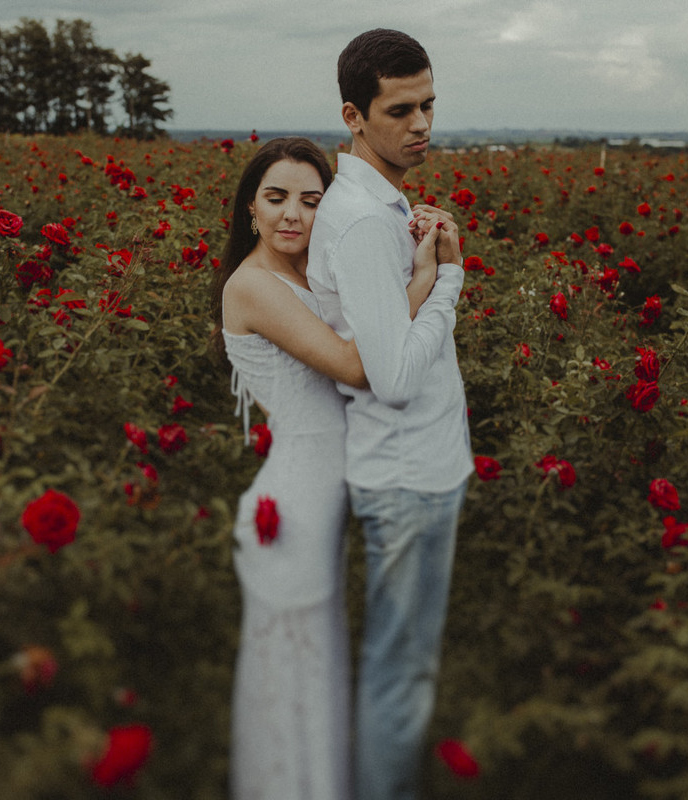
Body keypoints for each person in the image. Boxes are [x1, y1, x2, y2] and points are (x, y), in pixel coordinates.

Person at [212, 136, 457, 800]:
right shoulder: (253, 286)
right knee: (291, 684)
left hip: (321, 500)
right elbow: (357, 363)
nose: (293, 213)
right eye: (276, 197)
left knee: (316, 680)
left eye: (311, 200)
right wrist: (428, 281)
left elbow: (363, 329)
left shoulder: (303, 275)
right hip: (291, 507)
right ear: (249, 211)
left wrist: (408, 242)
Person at [305, 29, 472, 800]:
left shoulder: (373, 206)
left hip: (409, 467)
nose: (422, 125)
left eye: (428, 105)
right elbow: (396, 376)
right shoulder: (369, 221)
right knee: (401, 675)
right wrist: (448, 279)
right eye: (400, 110)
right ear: (354, 115)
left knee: (399, 666)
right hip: (409, 474)